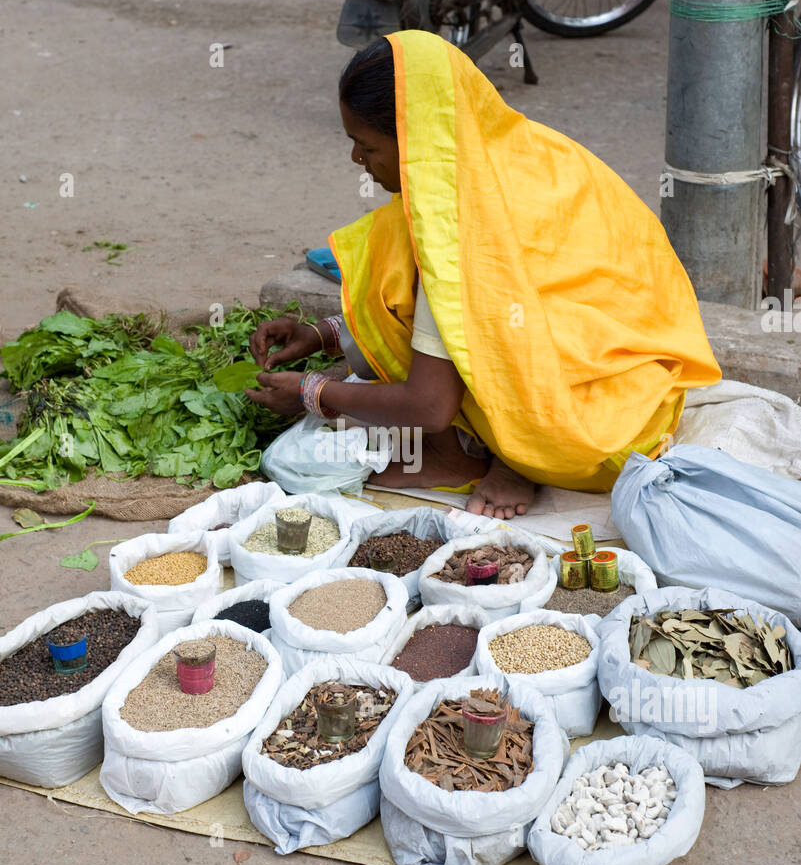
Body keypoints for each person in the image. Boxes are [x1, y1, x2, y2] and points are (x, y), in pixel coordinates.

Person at [246, 30, 721, 519]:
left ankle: (472, 459)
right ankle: (502, 454)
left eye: (365, 145)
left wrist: (313, 394)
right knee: (394, 244)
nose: (356, 160)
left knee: (406, 281)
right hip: (645, 399)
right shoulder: (529, 151)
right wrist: (323, 334)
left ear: (413, 141)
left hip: (590, 438)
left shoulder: (454, 232)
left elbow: (430, 405)